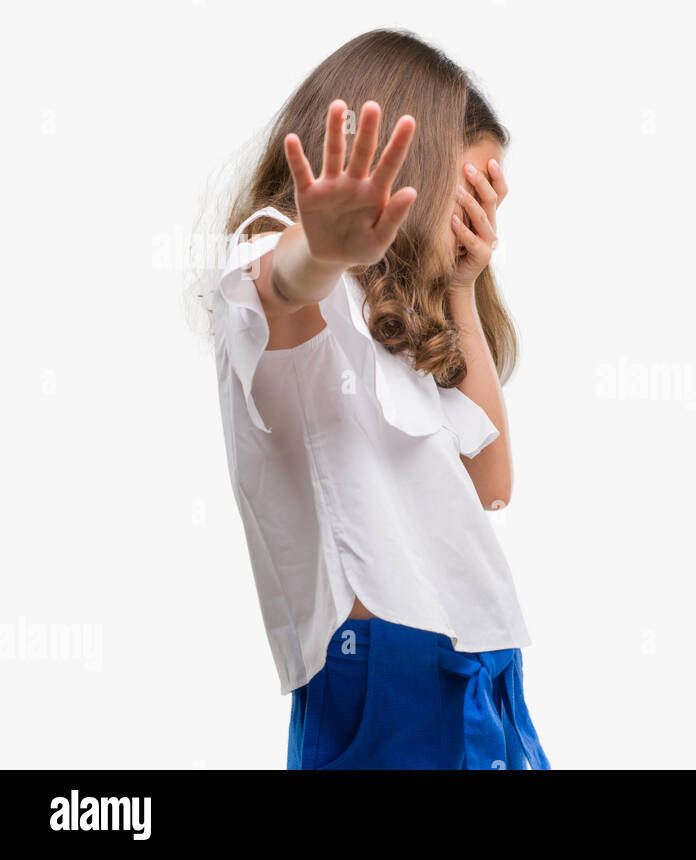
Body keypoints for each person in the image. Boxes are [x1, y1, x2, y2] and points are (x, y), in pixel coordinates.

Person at [210, 28, 549, 769]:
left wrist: (461, 285)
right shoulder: (282, 269)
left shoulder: (403, 325)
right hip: (386, 680)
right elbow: (282, 284)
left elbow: (491, 486)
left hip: (485, 676)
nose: (478, 218)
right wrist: (321, 250)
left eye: (491, 200)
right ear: (411, 168)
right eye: (468, 191)